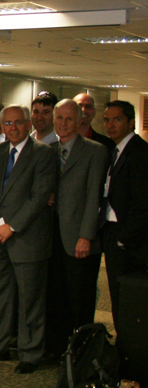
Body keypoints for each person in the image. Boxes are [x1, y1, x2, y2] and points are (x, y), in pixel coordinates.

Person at [0, 104, 57, 374]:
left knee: (30, 300)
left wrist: (12, 227)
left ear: (29, 123)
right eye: (7, 123)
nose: (12, 128)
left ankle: (30, 353)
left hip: (27, 239)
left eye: (18, 123)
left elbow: (39, 196)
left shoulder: (43, 153)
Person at [46, 99, 108, 357]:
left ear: (80, 120)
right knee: (56, 295)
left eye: (69, 119)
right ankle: (57, 348)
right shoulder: (47, 149)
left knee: (80, 298)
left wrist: (86, 236)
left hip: (80, 237)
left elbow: (95, 197)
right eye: (59, 118)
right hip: (51, 235)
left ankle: (82, 353)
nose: (63, 123)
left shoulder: (94, 151)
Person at [101, 100, 148, 334]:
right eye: (107, 120)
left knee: (128, 299)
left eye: (117, 120)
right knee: (118, 296)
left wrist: (123, 238)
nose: (111, 125)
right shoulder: (115, 150)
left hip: (129, 241)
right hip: (113, 233)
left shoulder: (139, 153)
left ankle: (130, 351)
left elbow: (143, 203)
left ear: (131, 123)